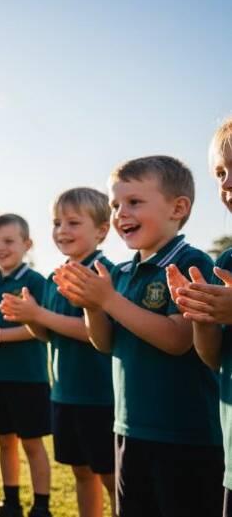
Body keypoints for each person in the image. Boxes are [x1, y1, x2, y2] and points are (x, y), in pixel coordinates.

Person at [56, 155, 223, 516]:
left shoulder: (193, 263)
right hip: (129, 426)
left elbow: (178, 339)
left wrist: (108, 299)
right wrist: (92, 305)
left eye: (134, 202)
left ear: (177, 208)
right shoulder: (119, 273)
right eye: (116, 204)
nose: (120, 214)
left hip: (184, 434)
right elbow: (103, 342)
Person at [0, 189, 115, 517]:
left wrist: (39, 316)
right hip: (64, 393)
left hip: (100, 395)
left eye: (73, 222)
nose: (62, 230)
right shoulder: (54, 277)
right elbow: (46, 334)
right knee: (81, 471)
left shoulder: (107, 273)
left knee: (110, 475)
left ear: (101, 230)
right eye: (56, 222)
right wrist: (29, 316)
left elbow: (92, 332)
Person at [167, 117, 232, 516]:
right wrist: (202, 317)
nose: (226, 184)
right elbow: (213, 358)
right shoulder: (226, 261)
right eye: (221, 173)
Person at [0, 214, 52, 517]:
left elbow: (42, 328)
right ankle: (11, 504)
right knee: (4, 442)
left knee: (32, 444)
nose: (0, 247)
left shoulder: (35, 282)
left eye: (8, 241)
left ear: (27, 244)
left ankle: (42, 507)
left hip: (29, 379)